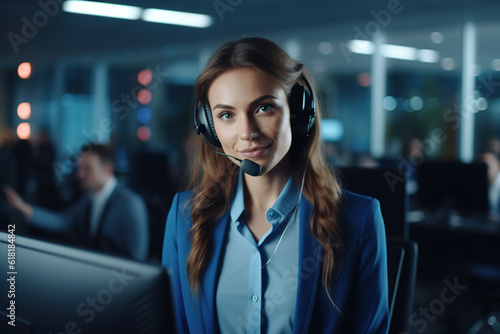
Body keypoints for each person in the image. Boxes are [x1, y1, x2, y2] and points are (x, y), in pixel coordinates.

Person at [162, 37, 389, 333]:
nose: (247, 133)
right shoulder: (185, 216)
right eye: (227, 115)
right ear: (209, 128)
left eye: (264, 108)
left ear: (298, 112)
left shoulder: (358, 219)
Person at [3, 143, 150, 261]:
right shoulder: (89, 199)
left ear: (108, 169)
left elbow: (138, 260)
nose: (80, 174)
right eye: (80, 168)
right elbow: (63, 222)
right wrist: (24, 209)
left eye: (87, 169)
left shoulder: (130, 204)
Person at [478, 150, 500, 215]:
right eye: (482, 167)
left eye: (488, 166)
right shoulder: (476, 187)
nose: (485, 171)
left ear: (498, 165)